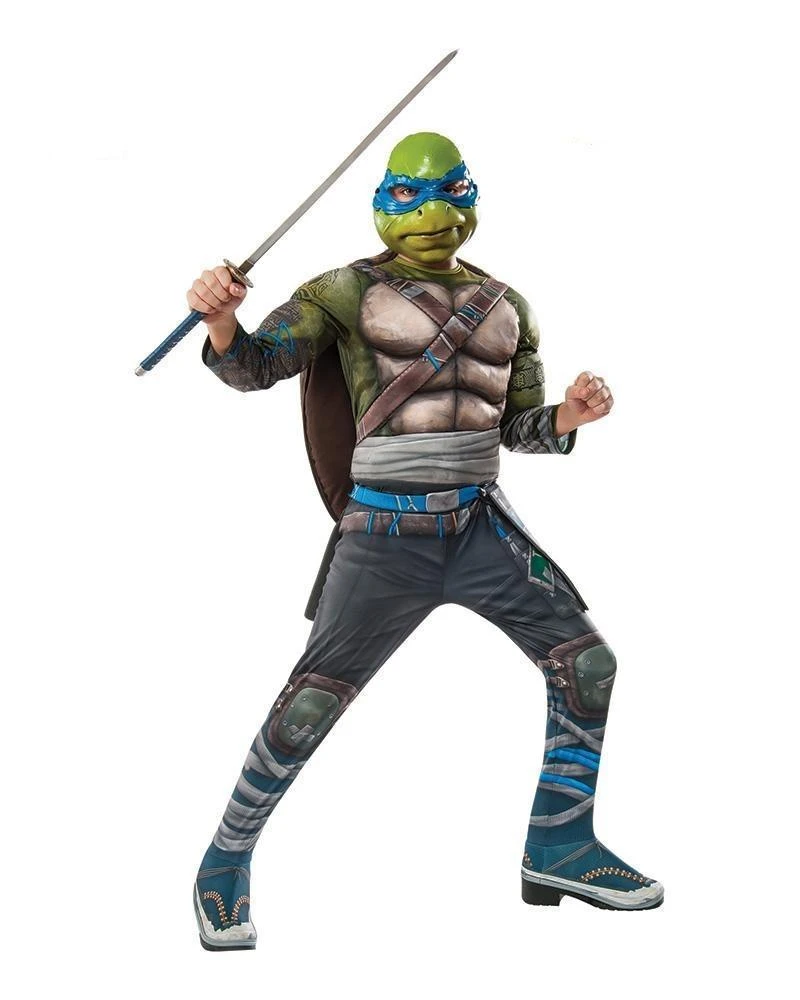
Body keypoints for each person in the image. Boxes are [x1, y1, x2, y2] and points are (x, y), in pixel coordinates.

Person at [190, 132, 663, 951]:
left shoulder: (509, 304)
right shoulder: (341, 291)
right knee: (313, 700)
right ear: (383, 202)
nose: (433, 210)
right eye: (411, 194)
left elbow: (518, 428)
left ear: (472, 199)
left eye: (451, 191)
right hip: (384, 534)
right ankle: (223, 862)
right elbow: (255, 368)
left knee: (587, 663)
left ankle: (560, 845)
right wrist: (224, 319)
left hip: (479, 525)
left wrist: (569, 417)